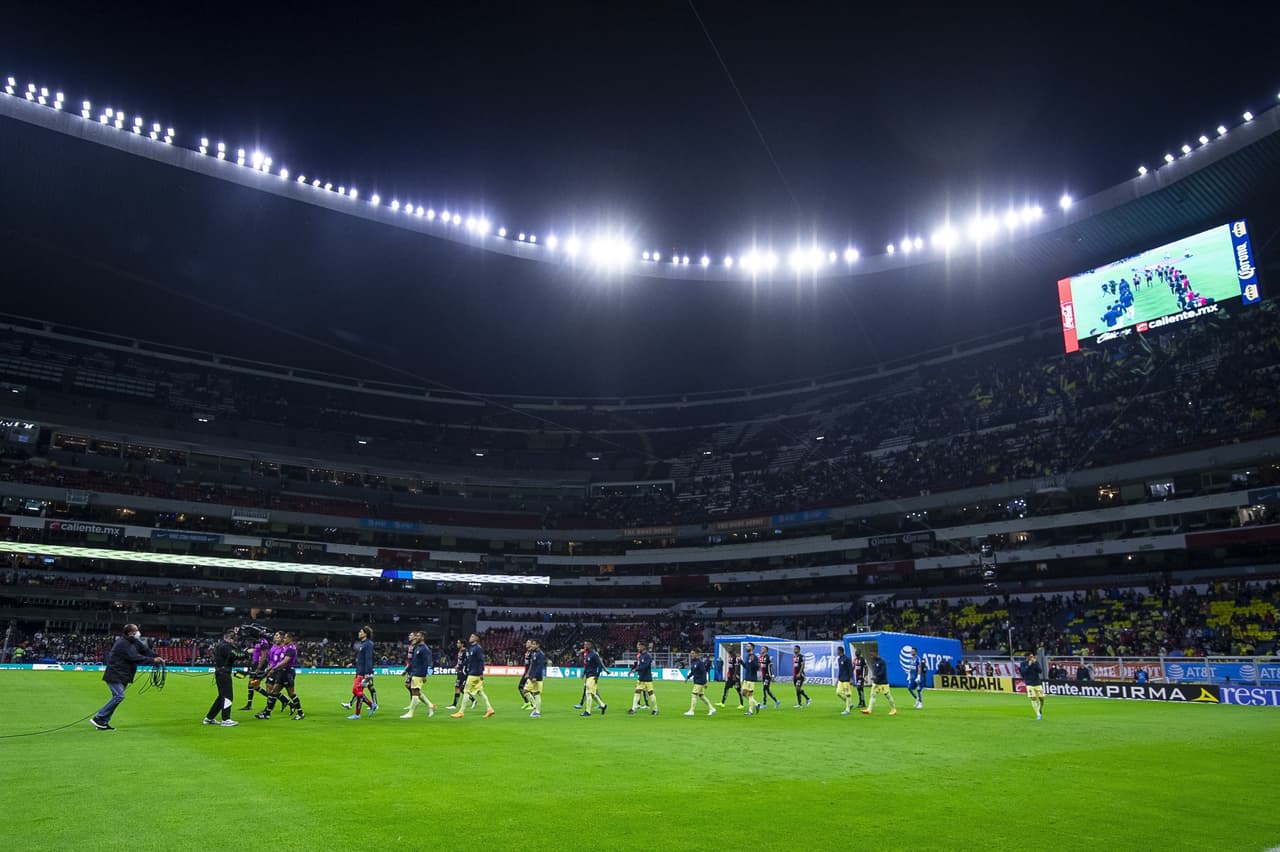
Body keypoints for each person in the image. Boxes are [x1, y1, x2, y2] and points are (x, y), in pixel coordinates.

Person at [91, 623, 163, 730]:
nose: (138, 633)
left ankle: (103, 722)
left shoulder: (133, 641)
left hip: (123, 674)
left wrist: (157, 657)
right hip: (115, 673)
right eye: (136, 630)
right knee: (119, 696)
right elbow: (134, 657)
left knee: (117, 697)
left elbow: (145, 651)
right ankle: (99, 717)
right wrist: (152, 660)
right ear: (130, 632)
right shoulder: (123, 643)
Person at [204, 629, 248, 727]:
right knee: (228, 696)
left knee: (221, 697)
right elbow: (236, 654)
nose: (234, 641)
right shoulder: (226, 646)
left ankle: (209, 717)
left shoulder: (219, 645)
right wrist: (247, 653)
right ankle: (226, 719)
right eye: (233, 639)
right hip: (224, 673)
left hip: (220, 673)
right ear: (229, 638)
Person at [257, 631, 303, 720]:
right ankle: (267, 714)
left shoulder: (291, 649)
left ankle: (300, 713)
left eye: (285, 638)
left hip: (288, 673)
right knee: (273, 692)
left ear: (290, 639)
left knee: (291, 694)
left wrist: (273, 669)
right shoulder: (285, 647)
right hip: (282, 673)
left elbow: (285, 661)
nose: (284, 639)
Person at [451, 633, 495, 718]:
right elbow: (468, 660)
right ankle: (490, 709)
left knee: (466, 691)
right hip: (474, 673)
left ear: (476, 638)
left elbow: (481, 660)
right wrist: (459, 666)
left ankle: (461, 712)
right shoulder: (472, 648)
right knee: (480, 692)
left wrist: (481, 672)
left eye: (472, 636)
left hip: (474, 674)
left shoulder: (477, 649)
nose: (470, 638)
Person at [400, 631, 437, 719]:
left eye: (418, 636)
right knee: (415, 692)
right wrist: (407, 670)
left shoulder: (425, 649)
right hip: (414, 672)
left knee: (415, 692)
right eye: (415, 636)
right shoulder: (417, 647)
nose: (416, 637)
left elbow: (426, 663)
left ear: (423, 637)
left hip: (419, 673)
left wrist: (424, 675)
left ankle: (411, 713)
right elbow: (413, 661)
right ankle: (430, 705)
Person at [345, 626, 377, 719]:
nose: (359, 633)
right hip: (359, 670)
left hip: (363, 673)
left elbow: (368, 658)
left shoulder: (368, 644)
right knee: (359, 692)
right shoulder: (363, 644)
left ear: (365, 634)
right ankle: (357, 714)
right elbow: (361, 658)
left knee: (355, 690)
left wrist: (367, 672)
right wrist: (353, 663)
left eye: (361, 632)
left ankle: (371, 705)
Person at [239, 633, 272, 711]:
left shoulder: (264, 642)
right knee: (252, 685)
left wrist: (259, 667)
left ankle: (273, 698)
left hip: (259, 665)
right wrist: (249, 651)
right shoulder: (258, 642)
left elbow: (264, 656)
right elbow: (257, 651)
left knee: (253, 685)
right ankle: (249, 705)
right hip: (255, 664)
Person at [860, 650, 897, 716]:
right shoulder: (873, 661)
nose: (871, 656)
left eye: (872, 655)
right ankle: (869, 709)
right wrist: (874, 677)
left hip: (883, 683)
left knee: (888, 696)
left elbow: (882, 672)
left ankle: (893, 709)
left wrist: (875, 676)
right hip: (876, 682)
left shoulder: (882, 662)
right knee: (873, 695)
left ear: (876, 653)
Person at [628, 641, 658, 716]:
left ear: (643, 647)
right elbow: (639, 665)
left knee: (651, 694)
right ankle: (633, 709)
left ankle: (655, 709)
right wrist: (633, 669)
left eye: (639, 647)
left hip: (647, 679)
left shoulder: (647, 656)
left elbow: (645, 666)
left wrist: (636, 670)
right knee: (637, 692)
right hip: (641, 678)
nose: (638, 648)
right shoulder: (641, 656)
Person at [683, 649, 716, 716]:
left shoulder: (700, 663)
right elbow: (693, 672)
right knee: (701, 696)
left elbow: (704, 672)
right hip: (696, 681)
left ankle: (691, 711)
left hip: (699, 681)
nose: (691, 655)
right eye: (691, 653)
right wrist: (687, 677)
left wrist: (705, 682)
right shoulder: (694, 662)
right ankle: (712, 708)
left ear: (696, 654)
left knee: (694, 695)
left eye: (692, 653)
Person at [579, 640, 608, 716]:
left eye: (586, 645)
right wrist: (584, 673)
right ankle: (603, 705)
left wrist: (597, 676)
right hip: (588, 676)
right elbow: (587, 665)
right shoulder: (587, 654)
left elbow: (600, 665)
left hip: (592, 676)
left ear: (590, 645)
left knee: (588, 693)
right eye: (584, 644)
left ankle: (587, 712)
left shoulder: (594, 654)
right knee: (592, 694)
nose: (585, 646)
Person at [1021, 652, 1045, 721]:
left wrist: (1035, 663)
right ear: (1027, 657)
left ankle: (1039, 709)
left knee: (1042, 698)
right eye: (1031, 656)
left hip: (1037, 683)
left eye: (1032, 656)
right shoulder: (1023, 664)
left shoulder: (1036, 662)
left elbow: (1040, 671)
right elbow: (1023, 672)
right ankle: (1038, 714)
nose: (1032, 657)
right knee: (1033, 698)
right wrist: (1028, 665)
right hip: (1029, 684)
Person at [525, 638, 546, 718]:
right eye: (532, 644)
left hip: (536, 678)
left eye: (534, 644)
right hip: (531, 676)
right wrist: (529, 673)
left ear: (538, 645)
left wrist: (535, 677)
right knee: (526, 690)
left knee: (536, 694)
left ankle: (537, 712)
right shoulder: (534, 653)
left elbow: (539, 667)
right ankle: (535, 706)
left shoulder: (540, 654)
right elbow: (532, 665)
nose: (532, 645)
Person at [741, 642, 762, 715]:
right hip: (747, 677)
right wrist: (741, 661)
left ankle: (750, 711)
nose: (747, 647)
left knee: (750, 694)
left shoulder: (754, 657)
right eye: (746, 646)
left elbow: (757, 668)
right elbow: (746, 667)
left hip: (752, 678)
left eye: (748, 646)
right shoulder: (748, 656)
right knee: (743, 693)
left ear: (752, 648)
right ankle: (756, 704)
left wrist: (753, 661)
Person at [446, 639, 468, 710]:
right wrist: (457, 665)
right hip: (460, 671)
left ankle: (454, 705)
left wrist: (460, 667)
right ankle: (473, 700)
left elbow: (466, 662)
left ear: (462, 644)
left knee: (457, 687)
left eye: (458, 643)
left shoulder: (465, 652)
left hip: (463, 672)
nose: (457, 644)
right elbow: (460, 661)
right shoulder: (460, 651)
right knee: (461, 688)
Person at [835, 646, 855, 715]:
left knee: (848, 694)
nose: (836, 652)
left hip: (846, 679)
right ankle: (850, 703)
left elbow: (850, 669)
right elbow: (840, 670)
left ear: (840, 651)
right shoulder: (839, 659)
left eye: (837, 650)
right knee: (838, 693)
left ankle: (847, 710)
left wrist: (851, 678)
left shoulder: (847, 659)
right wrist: (838, 679)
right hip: (841, 679)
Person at [518, 639, 534, 710]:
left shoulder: (532, 652)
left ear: (531, 644)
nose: (526, 643)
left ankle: (531, 704)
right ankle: (527, 702)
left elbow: (531, 664)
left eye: (528, 642)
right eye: (526, 642)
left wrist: (528, 673)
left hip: (529, 673)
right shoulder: (527, 652)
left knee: (525, 688)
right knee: (521, 687)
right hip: (526, 671)